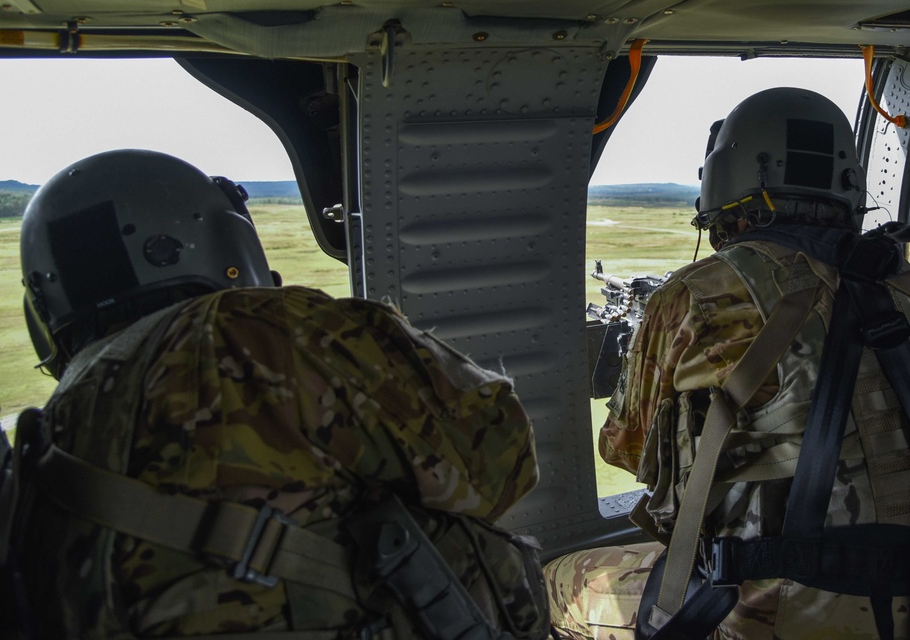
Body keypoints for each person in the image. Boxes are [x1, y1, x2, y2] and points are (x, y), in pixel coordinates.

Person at [2, 149, 550, 638]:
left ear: (44, 307)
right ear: (227, 240)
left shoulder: (47, 433)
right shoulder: (260, 331)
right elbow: (501, 461)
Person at [545, 88, 910, 639]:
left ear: (723, 182)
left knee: (556, 583)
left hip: (777, 605)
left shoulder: (699, 293)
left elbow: (627, 451)